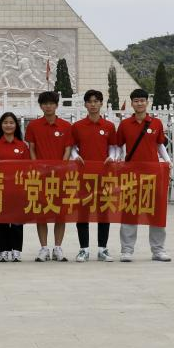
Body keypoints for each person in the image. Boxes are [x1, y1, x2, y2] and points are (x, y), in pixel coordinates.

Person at [113, 88, 172, 263]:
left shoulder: (156, 123)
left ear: (147, 102)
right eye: (136, 100)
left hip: (153, 174)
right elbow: (118, 145)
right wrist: (115, 159)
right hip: (131, 174)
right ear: (132, 103)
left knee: (156, 212)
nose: (139, 103)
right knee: (130, 212)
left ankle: (158, 250)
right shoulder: (124, 125)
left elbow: (160, 145)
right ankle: (127, 250)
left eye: (142, 100)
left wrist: (167, 160)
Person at [69, 88, 118, 262]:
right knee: (83, 212)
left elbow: (114, 146)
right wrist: (76, 157)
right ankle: (83, 249)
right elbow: (72, 147)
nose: (93, 104)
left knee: (103, 211)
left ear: (101, 104)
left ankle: (103, 249)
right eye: (90, 101)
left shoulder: (109, 126)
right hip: (83, 176)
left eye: (96, 101)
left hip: (104, 175)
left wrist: (112, 157)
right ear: (85, 105)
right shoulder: (77, 126)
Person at [25, 90, 72, 261]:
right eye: (45, 104)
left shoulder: (66, 126)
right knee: (42, 212)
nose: (48, 106)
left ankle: (58, 247)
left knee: (61, 213)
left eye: (51, 103)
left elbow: (68, 149)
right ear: (41, 106)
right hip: (41, 176)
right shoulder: (33, 126)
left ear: (56, 105)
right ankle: (44, 248)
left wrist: (61, 167)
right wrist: (38, 167)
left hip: (60, 176)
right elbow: (31, 148)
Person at [0, 111, 30, 262]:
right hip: (0, 188)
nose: (8, 125)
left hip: (18, 189)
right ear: (1, 125)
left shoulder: (22, 145)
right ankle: (3, 250)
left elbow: (28, 167)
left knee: (17, 221)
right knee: (3, 221)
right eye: (5, 122)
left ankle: (16, 250)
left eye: (11, 122)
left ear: (16, 125)